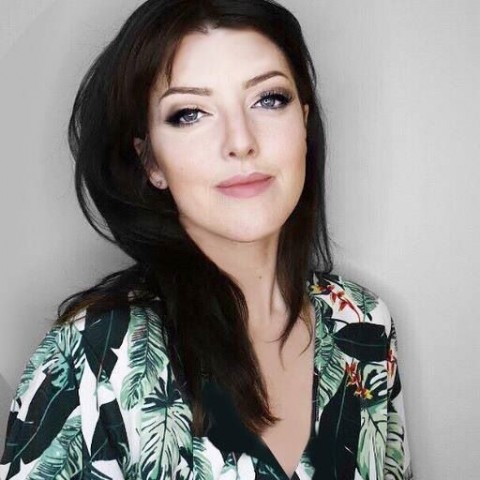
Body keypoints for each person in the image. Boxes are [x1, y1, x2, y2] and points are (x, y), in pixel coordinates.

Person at [0, 0, 413, 479]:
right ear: (150, 161)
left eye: (268, 99)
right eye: (190, 113)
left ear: (304, 123)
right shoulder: (89, 355)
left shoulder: (364, 322)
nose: (240, 141)